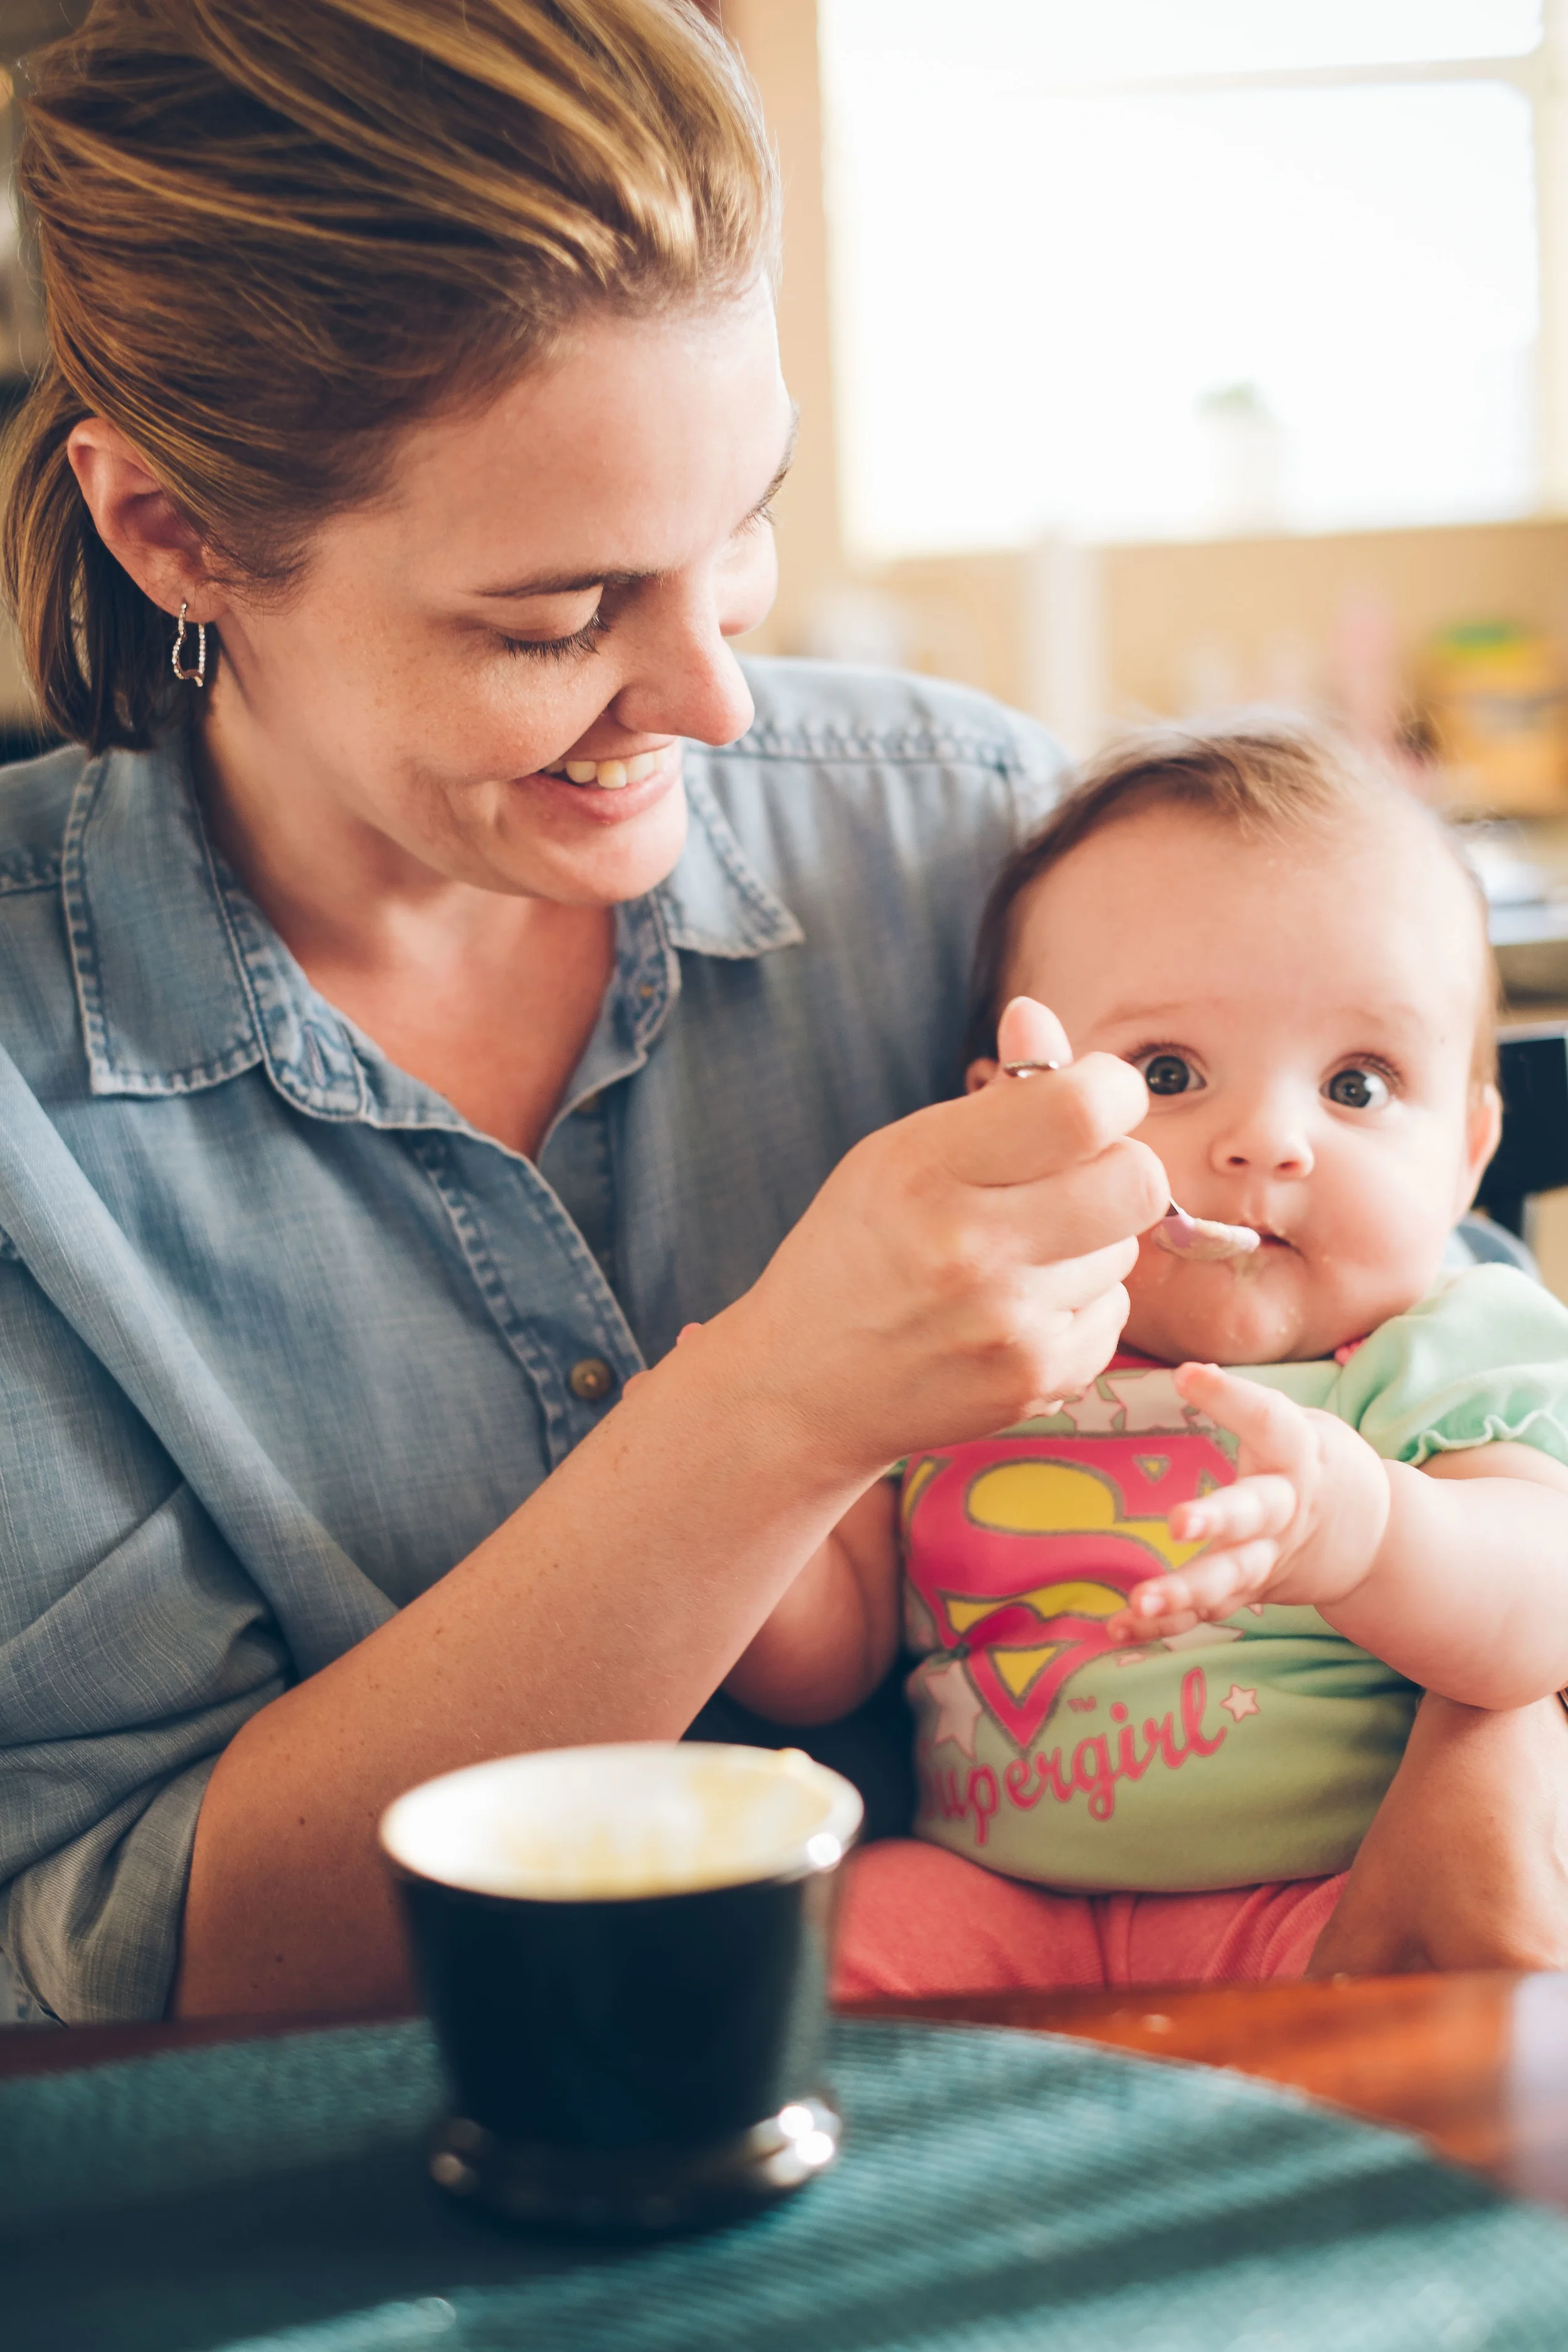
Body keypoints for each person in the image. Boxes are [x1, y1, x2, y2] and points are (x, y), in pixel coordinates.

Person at [0, 1, 1561, 2028]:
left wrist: (1500, 1745)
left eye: (744, 527)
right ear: (174, 535)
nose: (720, 705)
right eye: (559, 617)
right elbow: (94, 1988)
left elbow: (1442, 1360)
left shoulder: (979, 838)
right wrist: (769, 1422)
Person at [724, 723, 1568, 1994]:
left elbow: (1536, 1613)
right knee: (788, 1975)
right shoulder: (965, 1349)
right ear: (1010, 1118)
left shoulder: (1432, 1344)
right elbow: (823, 1662)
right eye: (1168, 1072)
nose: (1266, 1140)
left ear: (1465, 1150)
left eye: (1354, 1085)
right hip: (994, 1899)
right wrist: (754, 1451)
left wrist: (1365, 1529)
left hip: (1328, 1898)